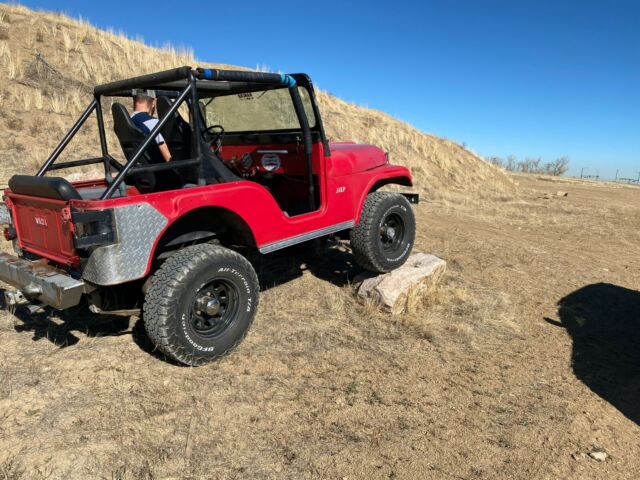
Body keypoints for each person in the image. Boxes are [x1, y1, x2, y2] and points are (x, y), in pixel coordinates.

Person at [130, 89, 172, 162]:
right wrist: (174, 168)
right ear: (153, 103)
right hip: (158, 168)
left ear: (135, 101)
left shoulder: (129, 120)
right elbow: (162, 145)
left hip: (140, 166)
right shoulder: (151, 121)